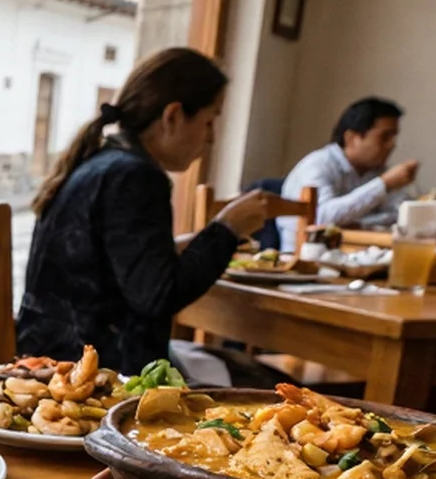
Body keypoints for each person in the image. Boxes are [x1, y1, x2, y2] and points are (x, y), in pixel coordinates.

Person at [15, 47, 275, 377]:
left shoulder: (101, 161)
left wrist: (187, 244)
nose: (210, 138)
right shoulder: (135, 176)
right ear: (173, 116)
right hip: (96, 371)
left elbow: (113, 263)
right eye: (209, 121)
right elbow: (159, 295)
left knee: (239, 368)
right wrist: (227, 229)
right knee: (265, 380)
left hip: (51, 349)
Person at [278, 97, 420, 251]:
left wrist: (361, 223)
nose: (392, 145)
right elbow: (320, 217)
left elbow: (399, 215)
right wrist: (383, 184)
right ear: (351, 138)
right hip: (302, 256)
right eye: (385, 137)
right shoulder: (318, 165)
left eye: (393, 137)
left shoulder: (375, 170)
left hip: (353, 254)